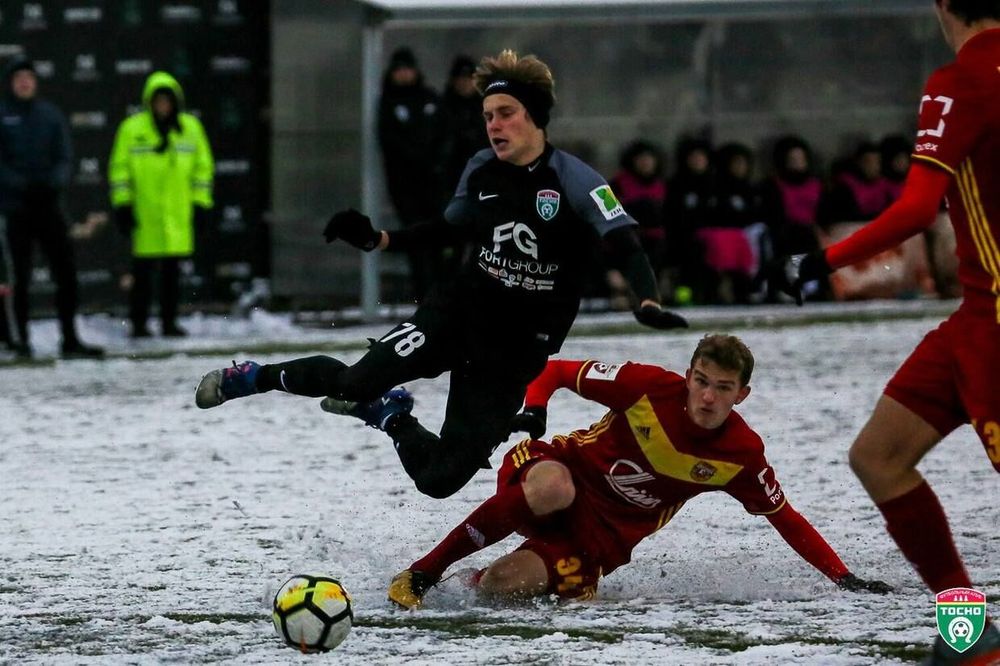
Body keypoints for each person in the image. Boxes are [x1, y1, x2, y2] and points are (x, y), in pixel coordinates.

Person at [195, 50, 688, 500]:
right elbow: (447, 229)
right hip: (457, 313)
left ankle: (391, 415)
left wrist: (647, 301)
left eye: (506, 113)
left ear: (536, 116)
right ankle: (252, 377)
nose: (494, 126)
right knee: (352, 382)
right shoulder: (481, 168)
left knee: (440, 480)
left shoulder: (577, 180)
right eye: (488, 116)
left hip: (515, 350)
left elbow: (627, 245)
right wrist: (378, 239)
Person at [775, 1, 1000, 662]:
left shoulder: (959, 81)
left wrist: (820, 262)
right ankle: (969, 636)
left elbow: (916, 209)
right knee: (879, 455)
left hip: (995, 324)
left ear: (942, 5)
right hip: (972, 319)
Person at [386, 335, 892, 608]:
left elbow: (785, 517)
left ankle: (467, 582)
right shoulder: (646, 385)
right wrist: (536, 409)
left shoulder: (741, 455)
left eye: (722, 388)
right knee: (554, 488)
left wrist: (842, 576)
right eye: (701, 381)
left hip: (598, 540)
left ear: (742, 395)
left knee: (502, 586)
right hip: (561, 471)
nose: (707, 397)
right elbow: (554, 370)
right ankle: (423, 573)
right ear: (687, 376)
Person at [0, 56, 104, 359]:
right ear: (10, 83)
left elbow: (64, 157)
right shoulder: (2, 115)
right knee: (19, 278)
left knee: (66, 273)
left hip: (49, 206)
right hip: (16, 209)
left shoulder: (50, 115)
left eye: (29, 77)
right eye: (19, 78)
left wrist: (52, 183)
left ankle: (70, 339)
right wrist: (22, 185)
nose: (24, 83)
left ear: (35, 82)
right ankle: (19, 340)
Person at [108, 70, 214, 338]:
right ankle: (139, 323)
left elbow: (203, 168)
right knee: (142, 274)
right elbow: (119, 169)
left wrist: (200, 204)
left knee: (172, 274)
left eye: (168, 101)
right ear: (150, 102)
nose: (163, 106)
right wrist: (123, 204)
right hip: (146, 214)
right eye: (158, 101)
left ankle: (169, 322)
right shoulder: (132, 129)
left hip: (177, 214)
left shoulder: (190, 128)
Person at [378, 47, 450, 301]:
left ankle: (442, 295)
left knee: (439, 241)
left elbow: (445, 132)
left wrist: (437, 161)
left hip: (434, 184)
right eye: (399, 70)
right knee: (417, 242)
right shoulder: (389, 103)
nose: (404, 75)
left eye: (408, 69)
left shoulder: (430, 98)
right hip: (405, 187)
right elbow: (390, 141)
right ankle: (424, 295)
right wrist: (415, 159)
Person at [442, 55, 491, 193]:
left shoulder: (487, 107)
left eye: (469, 79)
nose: (465, 83)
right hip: (451, 174)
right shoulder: (443, 108)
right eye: (460, 79)